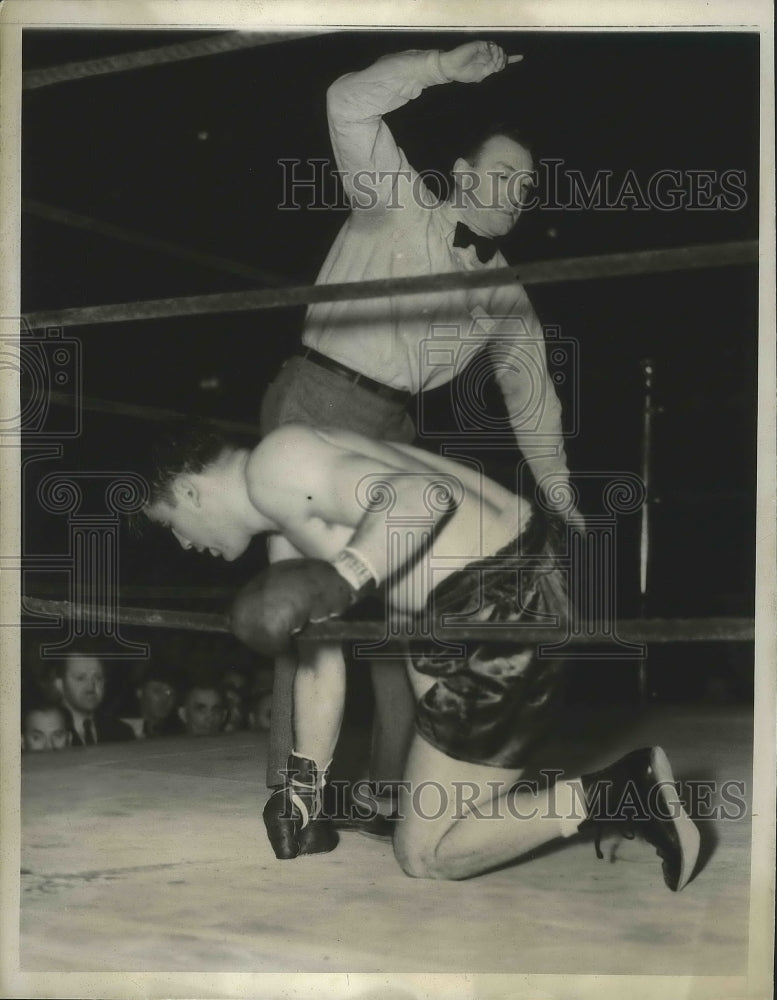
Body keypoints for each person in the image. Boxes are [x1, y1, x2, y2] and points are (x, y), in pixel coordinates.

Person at [137, 421, 700, 891]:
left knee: (426, 854)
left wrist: (346, 577)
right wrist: (302, 788)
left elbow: (419, 498)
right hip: (483, 598)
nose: (185, 545)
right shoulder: (286, 528)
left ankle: (625, 792)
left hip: (500, 600)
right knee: (428, 769)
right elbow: (320, 664)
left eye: (168, 525)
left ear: (189, 490)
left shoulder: (275, 466)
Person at [260, 39, 578, 805]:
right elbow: (346, 100)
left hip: (391, 434)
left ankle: (387, 789)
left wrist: (563, 499)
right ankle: (294, 792)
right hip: (311, 403)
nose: (513, 192)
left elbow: (531, 396)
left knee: (407, 612)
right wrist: (440, 68)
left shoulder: (505, 293)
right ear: (462, 176)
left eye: (525, 184)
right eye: (500, 174)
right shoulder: (393, 198)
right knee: (308, 604)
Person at [54, 651, 136, 746]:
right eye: (80, 678)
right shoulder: (46, 733)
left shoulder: (122, 732)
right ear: (59, 685)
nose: (91, 687)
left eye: (98, 678)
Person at [129, 664, 184, 738]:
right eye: (157, 691)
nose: (164, 699)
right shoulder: (120, 728)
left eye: (169, 693)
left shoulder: (179, 732)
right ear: (140, 692)